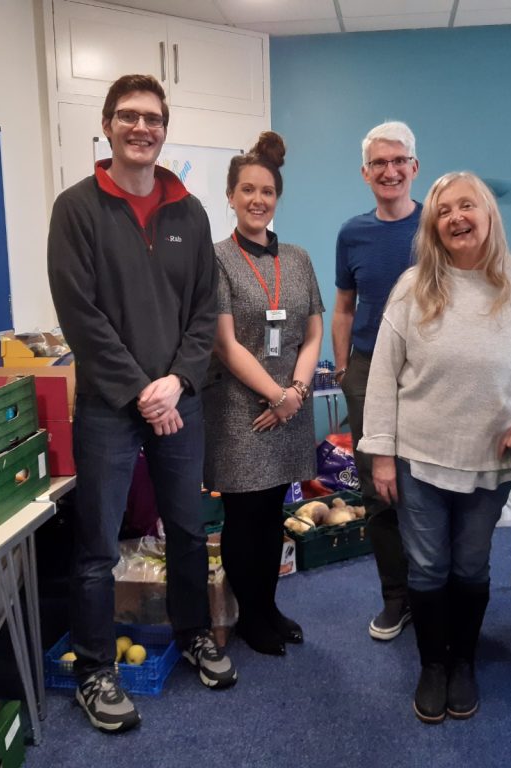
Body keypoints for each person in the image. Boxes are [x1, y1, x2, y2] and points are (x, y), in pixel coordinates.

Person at [47, 73, 237, 735]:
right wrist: (141, 391)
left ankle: (193, 633)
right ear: (107, 126)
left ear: (164, 128)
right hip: (108, 404)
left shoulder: (190, 212)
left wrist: (178, 384)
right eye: (128, 116)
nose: (141, 128)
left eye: (152, 118)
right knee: (97, 543)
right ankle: (95, 668)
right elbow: (82, 316)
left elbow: (203, 310)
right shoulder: (75, 209)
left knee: (187, 530)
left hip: (177, 400)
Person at [359, 171, 511, 724]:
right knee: (427, 568)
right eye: (443, 210)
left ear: (488, 216)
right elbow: (383, 375)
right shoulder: (413, 287)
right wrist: (381, 452)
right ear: (433, 226)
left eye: (466, 206)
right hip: (419, 457)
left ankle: (463, 662)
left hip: (489, 461)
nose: (455, 217)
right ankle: (433, 665)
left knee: (471, 568)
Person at [204, 131, 324, 656]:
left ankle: (270, 607)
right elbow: (225, 345)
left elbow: (314, 330)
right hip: (240, 408)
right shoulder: (216, 260)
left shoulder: (296, 259)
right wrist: (278, 394)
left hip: (291, 402)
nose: (257, 200)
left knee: (274, 511)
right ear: (230, 196)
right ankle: (251, 616)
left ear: (277, 199)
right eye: (247, 190)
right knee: (244, 517)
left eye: (267, 192)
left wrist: (296, 390)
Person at [333, 121, 420, 641]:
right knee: (378, 489)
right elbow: (344, 306)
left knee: (428, 484)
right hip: (367, 368)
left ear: (414, 167)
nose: (389, 171)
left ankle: (434, 591)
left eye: (398, 161)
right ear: (365, 174)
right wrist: (344, 369)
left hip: (427, 372)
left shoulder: (438, 226)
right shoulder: (352, 233)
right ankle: (396, 598)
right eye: (379, 164)